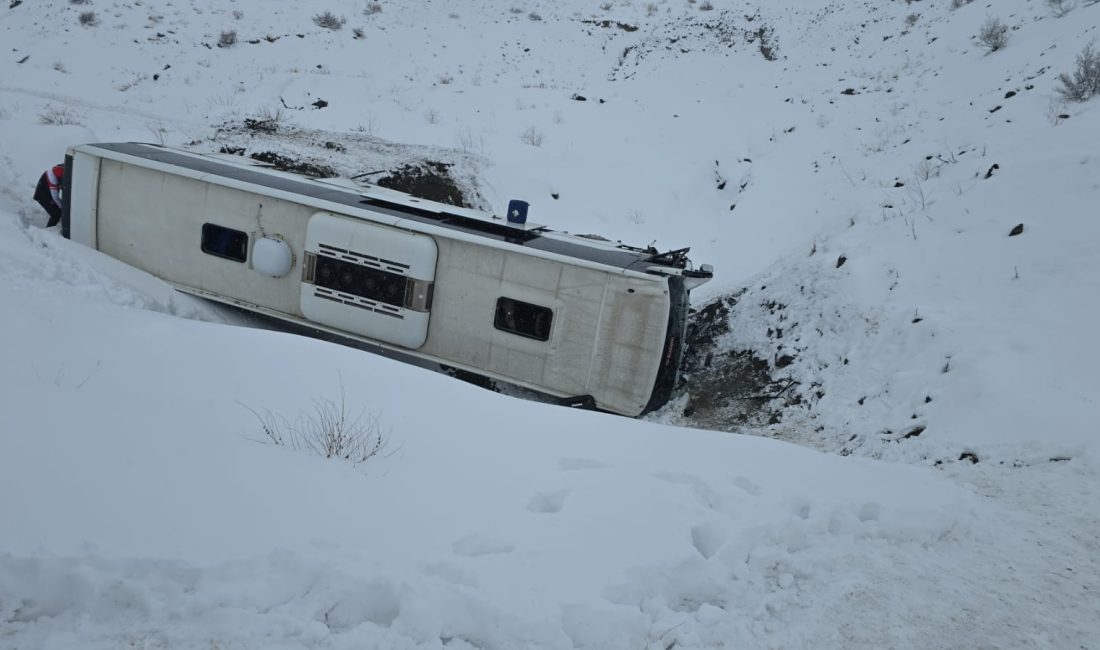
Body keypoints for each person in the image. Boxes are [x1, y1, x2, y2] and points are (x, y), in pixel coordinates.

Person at [33, 163, 65, 227]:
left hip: (47, 193)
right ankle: (49, 230)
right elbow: (55, 196)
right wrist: (61, 205)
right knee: (56, 214)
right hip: (41, 197)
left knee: (58, 209)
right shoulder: (53, 179)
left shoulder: (59, 168)